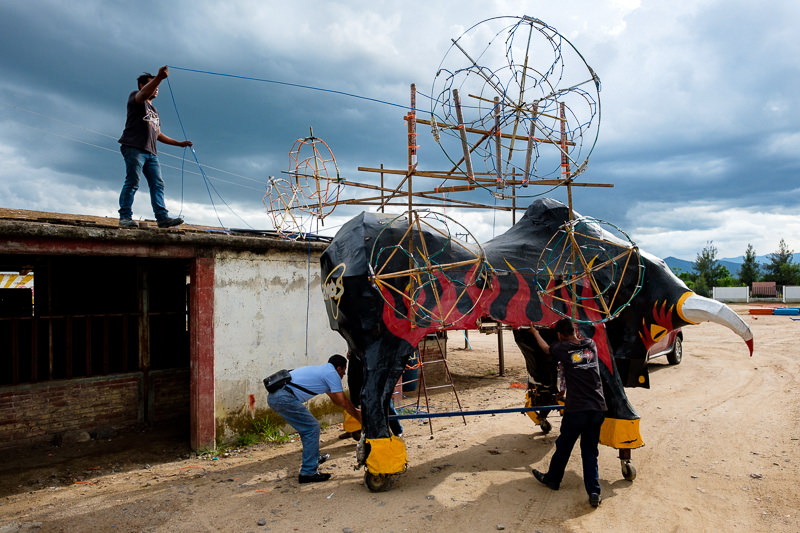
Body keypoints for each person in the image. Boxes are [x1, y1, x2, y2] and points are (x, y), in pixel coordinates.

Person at [530, 317, 607, 508]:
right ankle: (594, 491)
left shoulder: (563, 349)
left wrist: (535, 332)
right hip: (597, 407)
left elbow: (547, 349)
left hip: (577, 410)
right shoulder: (590, 345)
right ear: (574, 331)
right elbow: (579, 341)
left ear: (560, 335)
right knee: (590, 452)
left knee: (564, 446)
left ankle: (553, 480)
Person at [267, 354, 361, 484]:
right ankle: (308, 472)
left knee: (308, 429)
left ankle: (313, 459)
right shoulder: (331, 373)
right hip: (284, 398)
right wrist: (360, 418)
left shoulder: (323, 371)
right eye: (344, 371)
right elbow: (343, 402)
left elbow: (337, 401)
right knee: (312, 428)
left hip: (278, 396)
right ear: (339, 368)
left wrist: (356, 413)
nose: (344, 375)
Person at [117, 65, 191, 228]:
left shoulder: (154, 110)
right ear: (143, 86)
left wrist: (179, 144)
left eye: (158, 87)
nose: (157, 89)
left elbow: (158, 134)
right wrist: (159, 78)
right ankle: (125, 217)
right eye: (154, 86)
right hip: (133, 148)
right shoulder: (136, 96)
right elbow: (143, 94)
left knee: (158, 184)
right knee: (133, 181)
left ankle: (162, 218)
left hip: (151, 153)